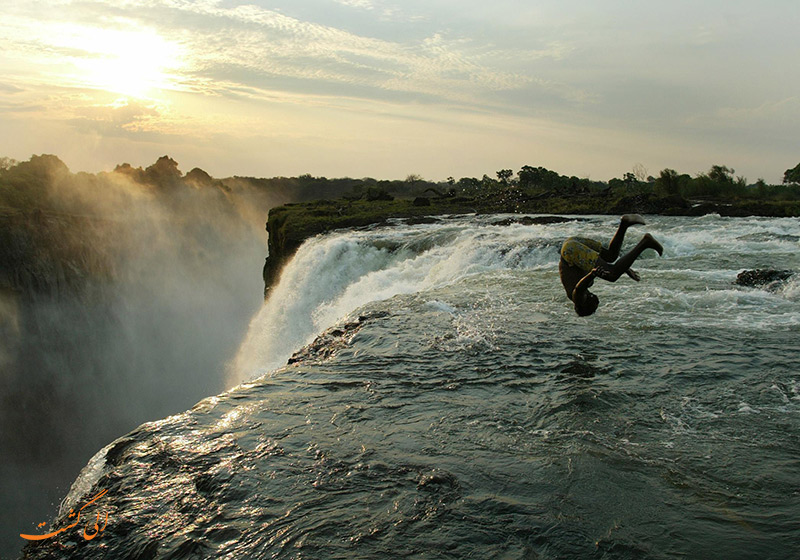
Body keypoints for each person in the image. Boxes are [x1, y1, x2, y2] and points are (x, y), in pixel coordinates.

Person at [559, 214, 663, 316]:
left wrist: (592, 274)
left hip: (571, 251)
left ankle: (645, 242)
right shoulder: (586, 287)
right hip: (571, 244)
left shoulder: (577, 299)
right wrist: (625, 269)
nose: (597, 304)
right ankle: (625, 223)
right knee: (611, 255)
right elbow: (594, 266)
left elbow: (579, 288)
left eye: (594, 307)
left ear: (585, 306)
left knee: (612, 275)